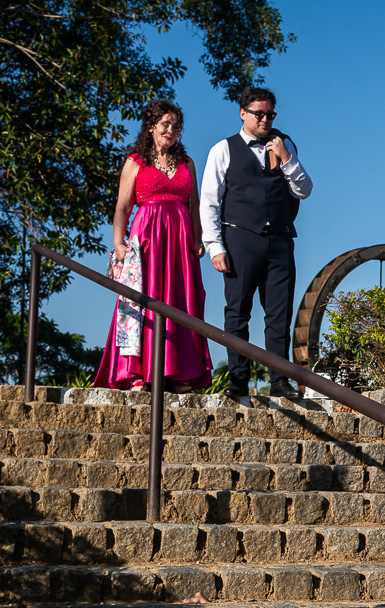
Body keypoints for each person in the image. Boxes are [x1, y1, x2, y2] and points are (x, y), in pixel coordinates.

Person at [94, 99, 213, 392]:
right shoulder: (136, 161)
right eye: (165, 124)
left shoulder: (187, 163)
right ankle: (138, 374)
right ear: (151, 127)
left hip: (181, 241)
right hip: (147, 239)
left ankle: (180, 373)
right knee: (141, 302)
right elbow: (123, 206)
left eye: (175, 126)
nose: (171, 130)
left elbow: (194, 204)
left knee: (183, 299)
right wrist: (118, 243)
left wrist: (199, 239)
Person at [200, 86, 312, 399]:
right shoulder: (222, 149)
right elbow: (209, 201)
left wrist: (287, 158)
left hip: (279, 241)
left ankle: (279, 379)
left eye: (270, 114)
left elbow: (304, 190)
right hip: (239, 240)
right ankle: (238, 380)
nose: (265, 119)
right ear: (243, 113)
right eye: (259, 114)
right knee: (237, 312)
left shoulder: (284, 143)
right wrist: (215, 246)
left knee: (279, 314)